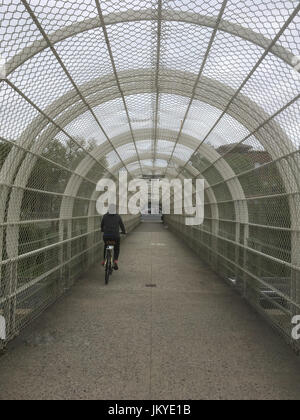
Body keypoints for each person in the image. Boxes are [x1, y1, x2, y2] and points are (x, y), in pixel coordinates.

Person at [101, 204, 126, 270]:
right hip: (115, 236)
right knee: (116, 247)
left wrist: (102, 230)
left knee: (106, 246)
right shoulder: (118, 216)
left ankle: (104, 261)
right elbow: (122, 225)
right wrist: (123, 231)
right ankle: (115, 261)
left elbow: (102, 225)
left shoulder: (105, 216)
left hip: (106, 236)